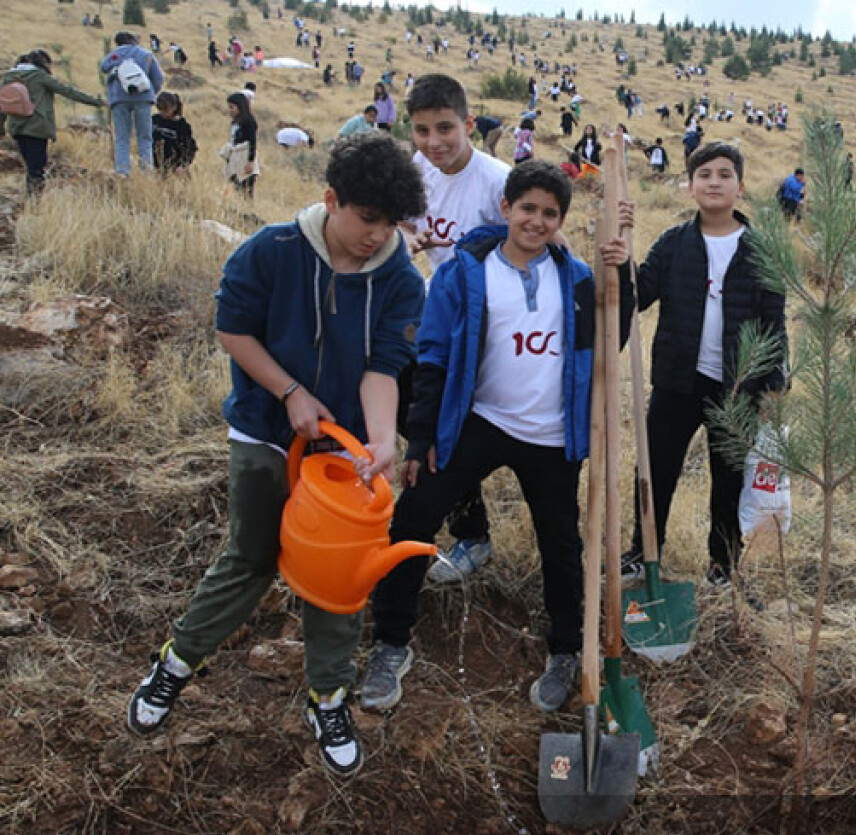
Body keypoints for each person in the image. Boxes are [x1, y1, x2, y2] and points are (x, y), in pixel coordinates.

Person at [124, 134, 428, 778]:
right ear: (331, 200)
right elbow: (233, 330)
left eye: (390, 224)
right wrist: (289, 391)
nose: (376, 236)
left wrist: (378, 438)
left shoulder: (401, 279)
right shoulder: (274, 249)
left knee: (339, 579)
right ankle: (176, 664)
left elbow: (384, 366)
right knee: (251, 556)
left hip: (340, 451)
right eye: (366, 219)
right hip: (266, 428)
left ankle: (327, 697)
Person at [369, 160, 632, 714]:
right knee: (414, 516)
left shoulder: (579, 278)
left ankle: (566, 651)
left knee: (562, 546)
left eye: (549, 213)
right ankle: (390, 642)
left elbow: (613, 337)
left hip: (552, 436)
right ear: (506, 208)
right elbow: (434, 353)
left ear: (561, 220)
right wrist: (421, 438)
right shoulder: (465, 270)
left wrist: (622, 274)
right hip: (481, 422)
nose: (536, 221)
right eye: (527, 208)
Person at [615, 142, 788, 596]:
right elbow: (639, 293)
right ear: (690, 186)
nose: (714, 181)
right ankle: (643, 549)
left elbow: (775, 323)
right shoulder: (674, 243)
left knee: (727, 478)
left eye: (724, 174)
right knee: (656, 468)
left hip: (738, 387)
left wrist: (773, 385)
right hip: (676, 381)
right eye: (705, 174)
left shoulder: (762, 250)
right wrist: (619, 260)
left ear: (740, 186)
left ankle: (722, 564)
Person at [0, 49, 105, 194]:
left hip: (16, 127)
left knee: (29, 165)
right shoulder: (40, 76)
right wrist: (98, 102)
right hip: (37, 127)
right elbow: (68, 91)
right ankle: (35, 199)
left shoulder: (9, 77)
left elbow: (2, 104)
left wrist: (1, 128)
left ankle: (31, 196)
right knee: (37, 167)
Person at [101, 31, 165, 177]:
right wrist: (150, 93)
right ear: (132, 40)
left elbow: (103, 67)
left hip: (120, 100)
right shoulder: (146, 54)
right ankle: (146, 171)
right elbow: (159, 78)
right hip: (143, 99)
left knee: (122, 137)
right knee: (145, 137)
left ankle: (123, 171)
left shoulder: (114, 55)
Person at [151, 92, 197, 173]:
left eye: (165, 109)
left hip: (175, 168)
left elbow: (189, 147)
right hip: (156, 166)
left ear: (174, 107)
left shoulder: (182, 125)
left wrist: (183, 165)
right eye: (159, 108)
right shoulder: (154, 120)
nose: (162, 112)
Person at [222, 92, 258, 197]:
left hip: (245, 157)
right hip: (235, 158)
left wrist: (250, 161)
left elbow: (252, 142)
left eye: (232, 107)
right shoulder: (235, 122)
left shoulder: (249, 122)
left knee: (245, 190)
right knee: (233, 186)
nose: (230, 110)